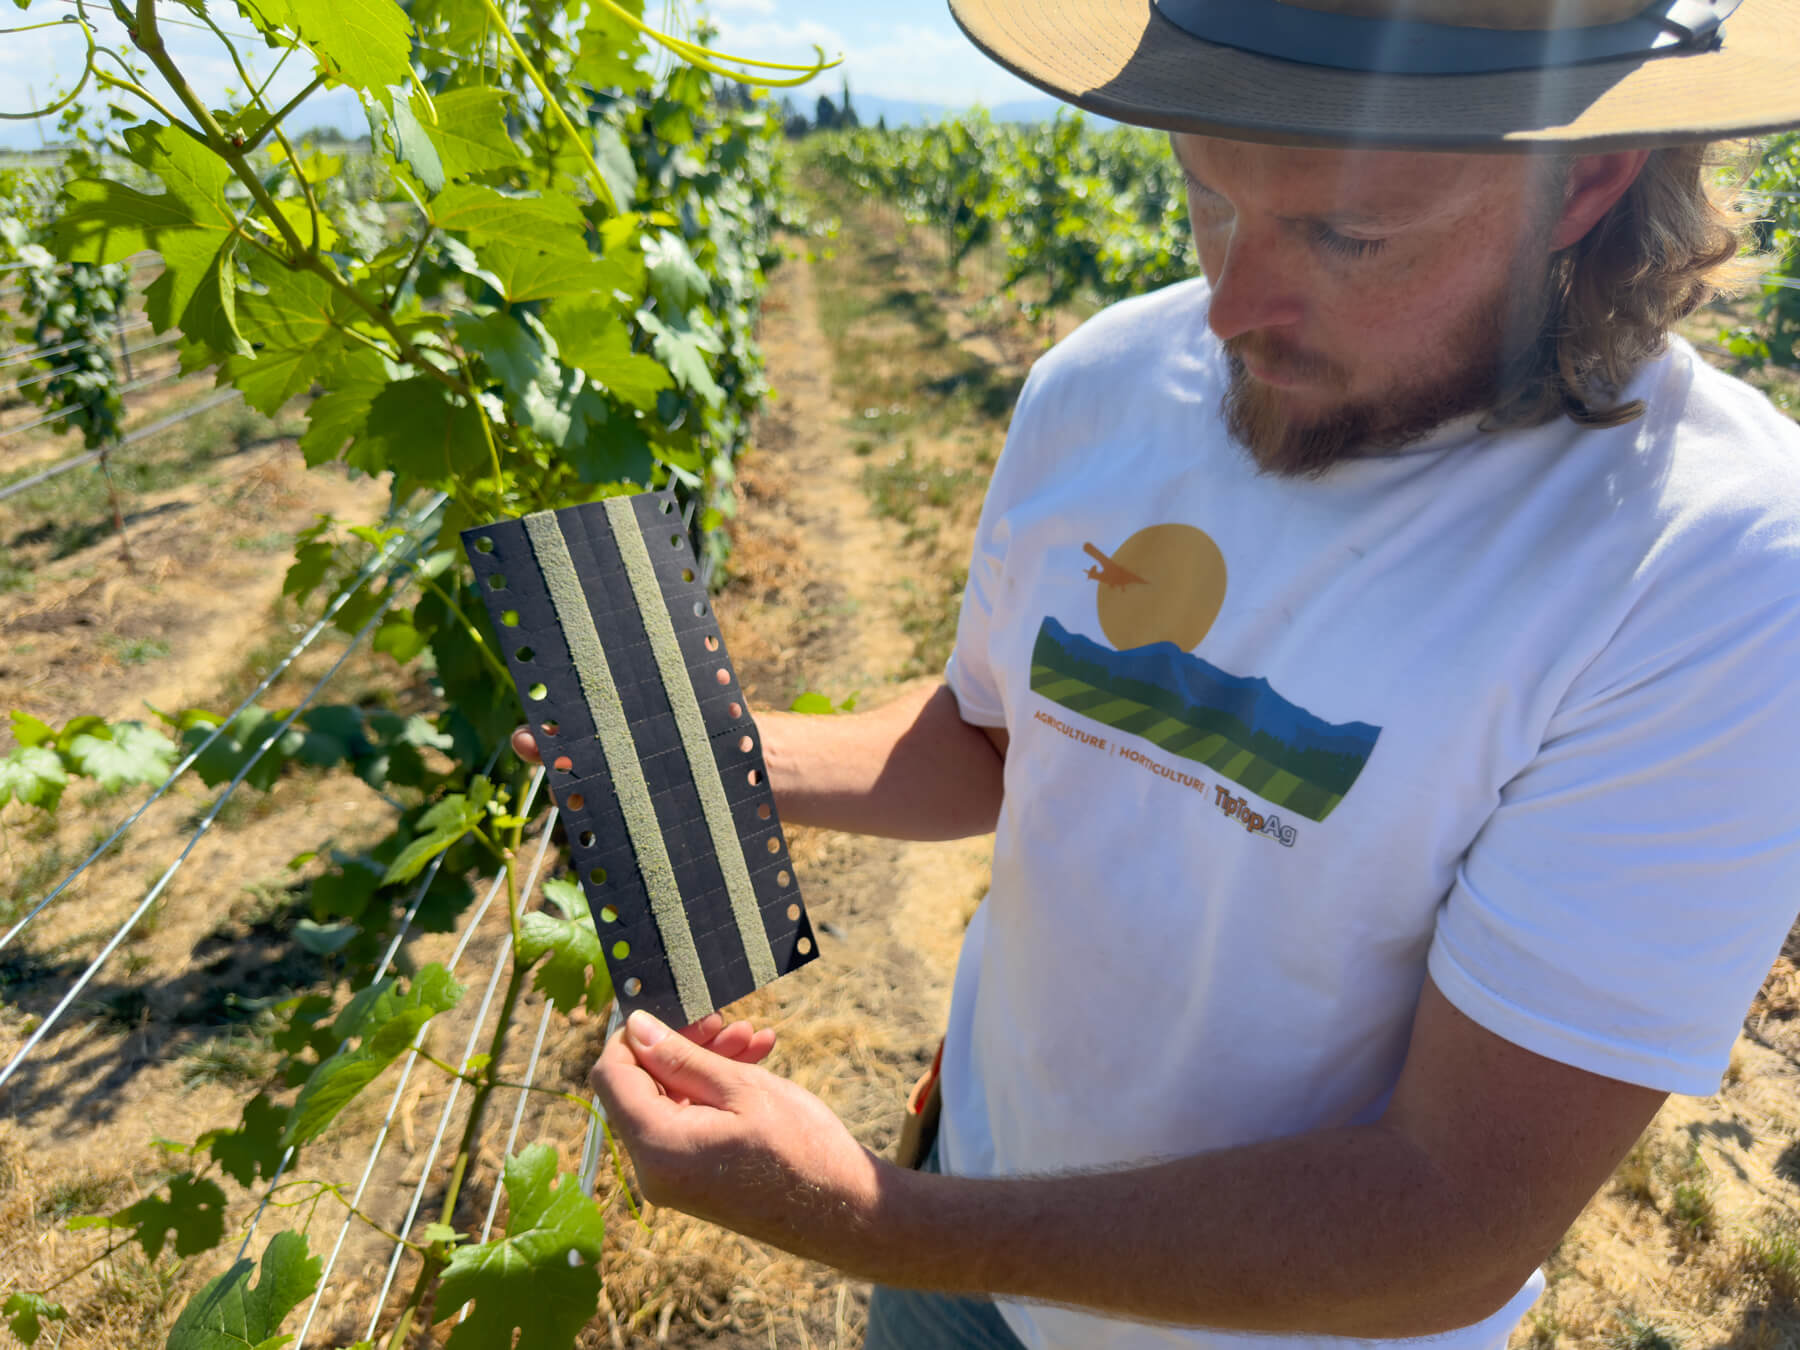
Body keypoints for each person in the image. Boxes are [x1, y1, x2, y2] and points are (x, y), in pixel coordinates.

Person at [520, 2, 1800, 1347]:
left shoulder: (1712, 565)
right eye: (1207, 194)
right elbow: (1005, 733)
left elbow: (1452, 1221)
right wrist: (714, 756)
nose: (1232, 306)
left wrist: (864, 1215)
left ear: (1584, 184)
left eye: (1346, 235)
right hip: (965, 1230)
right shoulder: (1109, 377)